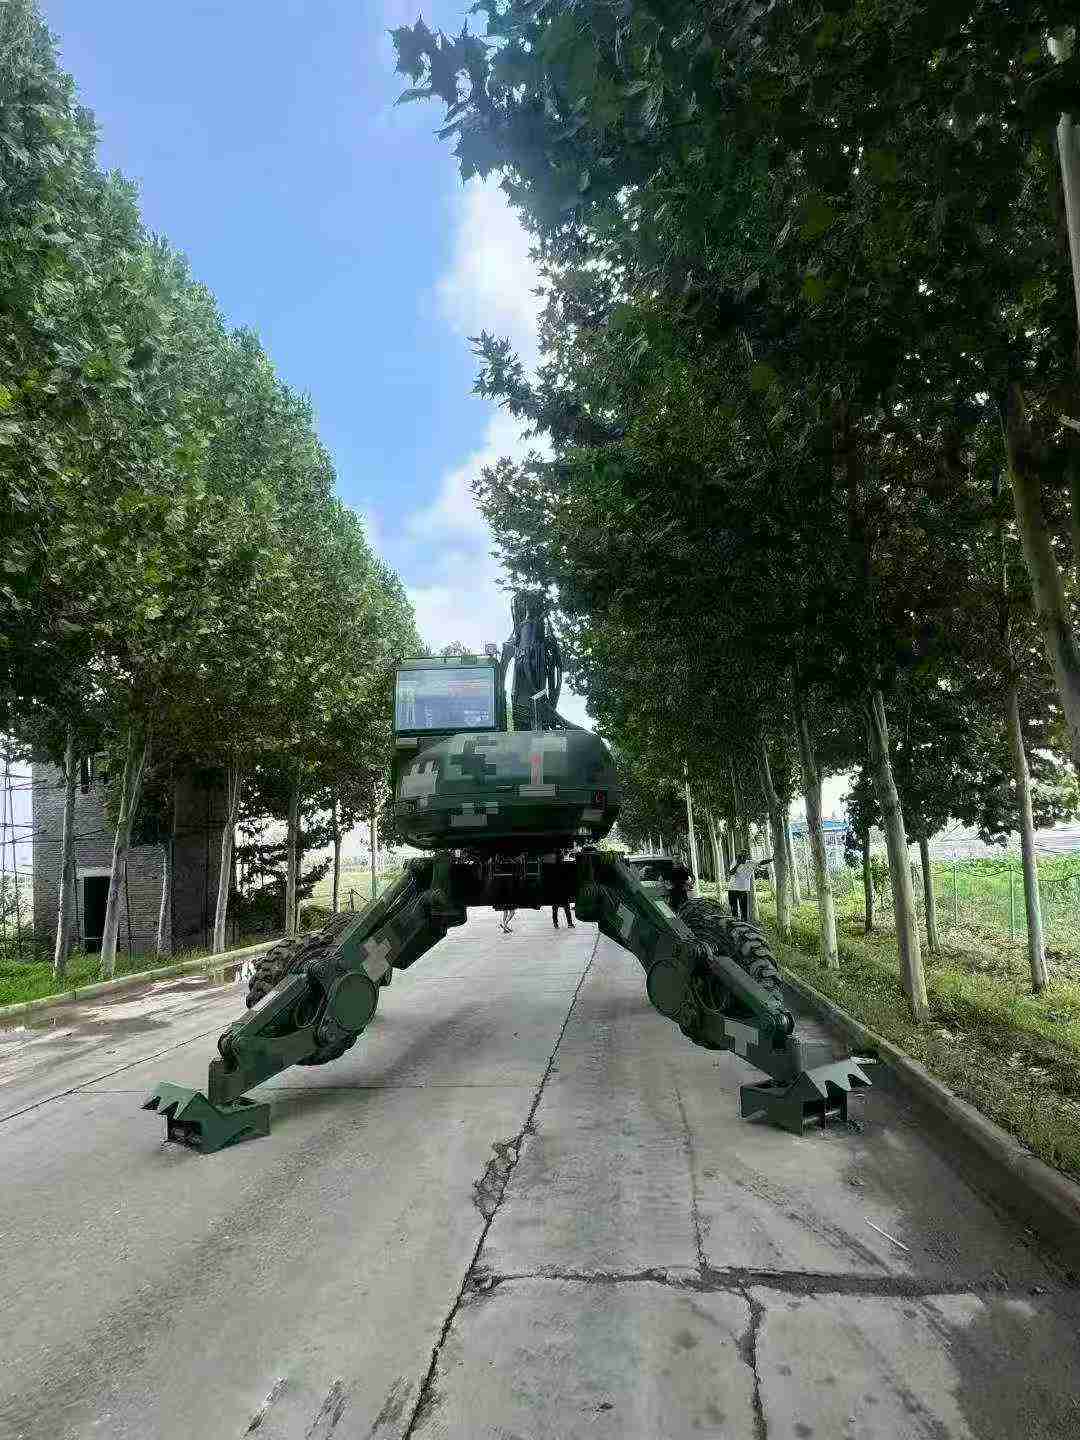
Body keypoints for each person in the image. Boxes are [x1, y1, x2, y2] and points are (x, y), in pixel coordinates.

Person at [727, 852, 770, 920]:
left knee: (744, 910)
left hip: (743, 890)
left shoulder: (751, 863)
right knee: (734, 909)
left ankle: (744, 923)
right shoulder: (735, 863)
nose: (743, 858)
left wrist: (772, 859)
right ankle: (734, 922)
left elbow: (762, 862)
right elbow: (731, 873)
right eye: (741, 857)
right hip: (732, 889)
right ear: (738, 857)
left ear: (747, 857)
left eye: (744, 856)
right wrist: (738, 864)